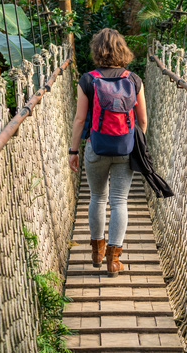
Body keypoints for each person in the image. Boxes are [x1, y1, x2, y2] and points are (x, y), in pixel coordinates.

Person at [68, 29, 148, 277]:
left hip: (96, 147)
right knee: (119, 201)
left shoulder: (87, 80)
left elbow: (80, 119)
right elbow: (143, 120)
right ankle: (114, 261)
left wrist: (73, 150)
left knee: (97, 197)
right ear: (122, 50)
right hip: (125, 147)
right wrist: (136, 144)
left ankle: (97, 253)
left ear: (96, 50)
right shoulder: (133, 79)